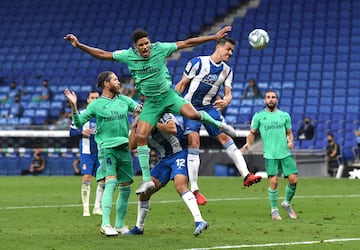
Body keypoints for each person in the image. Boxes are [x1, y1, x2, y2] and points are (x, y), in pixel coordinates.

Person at [64, 26, 237, 195]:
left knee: (193, 114)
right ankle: (146, 179)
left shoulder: (160, 48)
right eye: (141, 45)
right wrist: (79, 45)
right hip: (151, 103)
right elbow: (103, 54)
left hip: (168, 95)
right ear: (136, 47)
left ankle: (219, 125)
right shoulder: (128, 55)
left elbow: (187, 43)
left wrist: (214, 37)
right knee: (140, 136)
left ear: (150, 42)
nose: (145, 47)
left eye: (147, 43)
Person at [175, 37, 261, 205]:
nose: (230, 53)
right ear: (218, 47)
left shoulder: (227, 70)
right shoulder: (198, 62)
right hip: (190, 107)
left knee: (226, 138)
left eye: (232, 51)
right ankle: (195, 189)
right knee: (194, 142)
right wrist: (172, 102)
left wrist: (227, 100)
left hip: (208, 108)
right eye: (228, 49)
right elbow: (182, 84)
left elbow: (228, 93)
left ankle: (246, 175)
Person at [64, 71, 142, 236]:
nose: (119, 82)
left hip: (124, 147)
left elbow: (139, 109)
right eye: (115, 80)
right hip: (107, 148)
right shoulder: (96, 104)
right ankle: (106, 224)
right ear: (106, 84)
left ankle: (119, 225)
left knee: (126, 187)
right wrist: (73, 106)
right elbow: (78, 123)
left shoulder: (124, 100)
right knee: (111, 183)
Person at [127, 113, 209, 236]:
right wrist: (134, 126)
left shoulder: (163, 115)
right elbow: (131, 146)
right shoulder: (141, 128)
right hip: (164, 160)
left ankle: (199, 220)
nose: (139, 116)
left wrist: (153, 122)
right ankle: (139, 227)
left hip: (180, 153)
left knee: (180, 185)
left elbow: (172, 129)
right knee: (145, 192)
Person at [242, 89, 298, 220]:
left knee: (293, 180)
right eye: (268, 97)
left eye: (273, 97)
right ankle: (274, 210)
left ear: (277, 100)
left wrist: (291, 141)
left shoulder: (284, 116)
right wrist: (248, 144)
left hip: (285, 153)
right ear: (265, 100)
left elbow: (289, 133)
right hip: (270, 155)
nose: (271, 99)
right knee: (274, 182)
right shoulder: (259, 116)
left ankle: (287, 203)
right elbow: (252, 133)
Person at [69, 90, 105, 217]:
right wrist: (82, 133)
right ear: (88, 100)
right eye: (92, 98)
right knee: (86, 177)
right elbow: (72, 132)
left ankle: (97, 207)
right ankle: (86, 209)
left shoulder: (103, 114)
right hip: (86, 152)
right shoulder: (82, 114)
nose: (95, 99)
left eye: (97, 97)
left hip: (101, 152)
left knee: (103, 179)